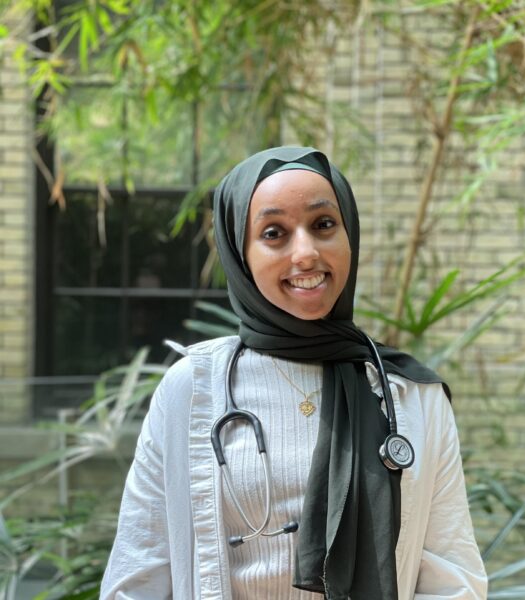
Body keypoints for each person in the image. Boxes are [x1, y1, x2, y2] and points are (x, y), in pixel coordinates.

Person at [100, 146, 487, 599]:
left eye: (323, 225)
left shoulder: (412, 394)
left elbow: (452, 579)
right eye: (274, 233)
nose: (305, 253)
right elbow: (137, 577)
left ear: (349, 235)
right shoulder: (193, 388)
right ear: (240, 254)